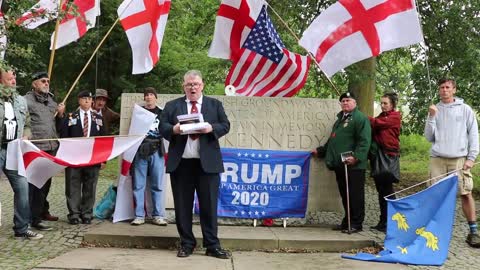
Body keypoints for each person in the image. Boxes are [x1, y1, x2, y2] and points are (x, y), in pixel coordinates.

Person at [160, 70, 231, 259]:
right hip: (181, 165)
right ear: (183, 86)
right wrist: (174, 129)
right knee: (182, 206)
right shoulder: (172, 105)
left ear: (202, 85)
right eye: (189, 84)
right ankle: (186, 244)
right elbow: (162, 126)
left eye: (196, 84)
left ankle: (212, 246)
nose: (192, 87)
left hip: (207, 165)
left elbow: (225, 125)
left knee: (209, 206)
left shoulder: (214, 105)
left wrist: (211, 128)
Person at [424, 78, 480, 248]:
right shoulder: (434, 109)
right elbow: (428, 137)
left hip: (459, 159)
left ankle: (474, 231)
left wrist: (471, 157)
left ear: (454, 89)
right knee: (434, 194)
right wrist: (432, 117)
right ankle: (434, 230)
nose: (444, 90)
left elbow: (474, 134)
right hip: (437, 159)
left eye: (448, 87)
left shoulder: (465, 109)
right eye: (441, 87)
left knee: (465, 193)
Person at [313, 92, 371, 233]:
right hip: (341, 164)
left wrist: (356, 157)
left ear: (355, 103)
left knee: (355, 195)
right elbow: (333, 140)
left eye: (348, 100)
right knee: (346, 195)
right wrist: (321, 151)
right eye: (343, 101)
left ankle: (356, 223)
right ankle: (348, 221)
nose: (345, 103)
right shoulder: (340, 119)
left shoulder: (360, 118)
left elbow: (364, 141)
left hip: (354, 165)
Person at [0, 68, 43, 239]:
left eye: (14, 77)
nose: (14, 80)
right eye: (10, 78)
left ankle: (21, 228)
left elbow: (27, 123)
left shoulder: (20, 101)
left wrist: (26, 134)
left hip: (13, 150)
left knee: (22, 187)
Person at [24, 71, 65, 231]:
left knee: (44, 185)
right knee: (31, 186)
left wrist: (61, 114)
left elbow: (59, 126)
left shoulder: (51, 102)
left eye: (48, 81)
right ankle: (28, 218)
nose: (46, 83)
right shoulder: (26, 101)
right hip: (34, 149)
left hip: (50, 149)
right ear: (34, 84)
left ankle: (38, 216)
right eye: (43, 81)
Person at [60, 90, 105, 225]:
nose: (86, 101)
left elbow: (103, 139)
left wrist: (103, 158)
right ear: (79, 100)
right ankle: (74, 213)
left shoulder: (98, 117)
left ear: (92, 101)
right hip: (74, 157)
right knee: (72, 185)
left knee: (90, 186)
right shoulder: (70, 117)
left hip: (93, 157)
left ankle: (87, 213)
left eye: (89, 98)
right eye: (83, 98)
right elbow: (64, 136)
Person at [130, 87, 167, 226]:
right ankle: (139, 215)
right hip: (141, 151)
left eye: (151, 94)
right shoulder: (139, 112)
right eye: (147, 95)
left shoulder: (162, 112)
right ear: (144, 97)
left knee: (157, 184)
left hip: (157, 150)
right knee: (139, 184)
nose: (149, 97)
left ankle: (158, 215)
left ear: (155, 97)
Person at [368, 92, 401, 232]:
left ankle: (393, 222)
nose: (382, 105)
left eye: (385, 103)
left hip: (388, 157)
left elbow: (376, 124)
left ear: (392, 104)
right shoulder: (382, 116)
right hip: (379, 156)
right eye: (381, 103)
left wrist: (362, 116)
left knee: (387, 190)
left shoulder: (394, 117)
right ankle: (383, 221)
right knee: (380, 190)